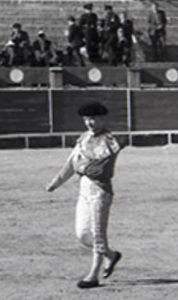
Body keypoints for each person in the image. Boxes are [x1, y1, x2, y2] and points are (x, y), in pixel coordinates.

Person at [45, 101, 124, 289]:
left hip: (100, 191)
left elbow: (98, 171)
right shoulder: (83, 139)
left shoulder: (111, 141)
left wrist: (82, 167)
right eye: (87, 119)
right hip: (84, 191)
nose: (90, 122)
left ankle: (93, 275)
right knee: (82, 235)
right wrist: (55, 183)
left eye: (94, 118)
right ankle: (111, 256)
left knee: (98, 234)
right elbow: (71, 164)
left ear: (103, 119)